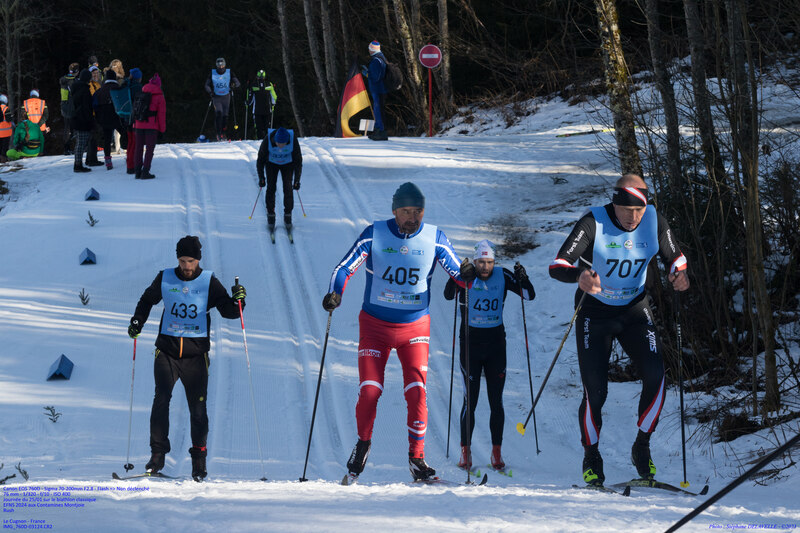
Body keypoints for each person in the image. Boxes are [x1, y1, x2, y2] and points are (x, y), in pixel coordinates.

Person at [324, 182, 477, 482]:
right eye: (406, 211)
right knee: (370, 390)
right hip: (375, 326)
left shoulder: (434, 237)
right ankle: (363, 444)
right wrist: (335, 293)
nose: (412, 217)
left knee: (417, 391)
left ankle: (417, 458)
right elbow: (344, 268)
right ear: (394, 210)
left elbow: (460, 273)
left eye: (418, 211)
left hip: (414, 327)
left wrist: (467, 274)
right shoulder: (375, 234)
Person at [548, 173, 689, 487]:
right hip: (594, 312)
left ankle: (642, 445)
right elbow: (558, 265)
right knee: (595, 391)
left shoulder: (654, 221)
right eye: (626, 210)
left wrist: (678, 273)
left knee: (657, 376)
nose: (633, 217)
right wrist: (579, 276)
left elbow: (676, 257)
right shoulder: (593, 222)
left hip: (634, 310)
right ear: (614, 204)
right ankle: (591, 455)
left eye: (639, 210)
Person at [127, 235, 247, 480]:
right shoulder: (165, 277)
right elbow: (147, 300)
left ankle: (199, 461)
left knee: (198, 409)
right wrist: (137, 321)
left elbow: (229, 311)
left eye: (190, 261)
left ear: (198, 260)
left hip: (196, 356)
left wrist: (239, 301)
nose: (186, 266)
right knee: (161, 400)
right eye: (182, 261)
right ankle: (157, 455)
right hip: (167, 352)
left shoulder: (208, 281)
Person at [443, 240, 535, 472]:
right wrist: (456, 276)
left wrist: (523, 278)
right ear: (475, 261)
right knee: (470, 401)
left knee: (497, 401)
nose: (485, 267)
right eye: (481, 262)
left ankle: (496, 453)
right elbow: (447, 295)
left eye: (490, 262)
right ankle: (465, 452)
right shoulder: (467, 275)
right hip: (470, 345)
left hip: (496, 345)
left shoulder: (502, 275)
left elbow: (529, 295)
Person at [256, 126, 302, 230]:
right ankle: (271, 215)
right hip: (271, 163)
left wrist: (297, 180)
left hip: (288, 163)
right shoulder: (267, 140)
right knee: (271, 187)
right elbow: (260, 160)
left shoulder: (293, 140)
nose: (281, 146)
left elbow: (298, 161)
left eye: (283, 144)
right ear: (275, 140)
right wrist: (261, 177)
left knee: (288, 187)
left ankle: (288, 215)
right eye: (278, 143)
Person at [133, 73, 166, 180]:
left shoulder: (141, 93)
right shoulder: (159, 96)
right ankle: (145, 171)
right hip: (152, 126)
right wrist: (162, 130)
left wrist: (134, 124)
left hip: (138, 124)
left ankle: (137, 171)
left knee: (138, 148)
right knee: (149, 149)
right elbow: (161, 115)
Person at [94, 69, 127, 169]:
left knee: (107, 140)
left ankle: (108, 162)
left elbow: (95, 104)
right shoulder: (118, 88)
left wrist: (98, 117)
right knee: (125, 134)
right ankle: (129, 155)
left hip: (104, 118)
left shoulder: (100, 90)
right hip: (117, 117)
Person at [204, 57, 240, 141]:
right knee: (219, 114)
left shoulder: (229, 72)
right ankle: (218, 133)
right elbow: (206, 85)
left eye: (222, 65)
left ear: (225, 65)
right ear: (216, 65)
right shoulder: (212, 73)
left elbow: (238, 83)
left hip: (226, 97)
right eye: (219, 65)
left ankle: (223, 133)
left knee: (225, 116)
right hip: (217, 97)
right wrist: (210, 92)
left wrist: (233, 86)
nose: (220, 67)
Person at [69, 69, 95, 173]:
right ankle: (78, 165)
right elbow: (86, 108)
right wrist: (90, 121)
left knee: (79, 143)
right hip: (82, 120)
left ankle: (78, 163)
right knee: (81, 143)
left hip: (75, 119)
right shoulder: (84, 90)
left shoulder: (76, 88)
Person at [363, 40, 388, 141]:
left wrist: (367, 74)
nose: (368, 51)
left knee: (378, 110)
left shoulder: (376, 60)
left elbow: (376, 76)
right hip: (380, 89)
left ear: (372, 50)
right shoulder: (380, 58)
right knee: (377, 110)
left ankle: (381, 132)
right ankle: (378, 130)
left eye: (369, 49)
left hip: (378, 89)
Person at [246, 70, 277, 139]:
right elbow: (274, 96)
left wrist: (247, 103)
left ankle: (259, 139)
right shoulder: (269, 84)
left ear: (257, 77)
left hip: (257, 110)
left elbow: (250, 99)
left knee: (258, 127)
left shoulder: (253, 85)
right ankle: (267, 139)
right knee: (267, 126)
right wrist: (273, 103)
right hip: (267, 109)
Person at [124, 68, 143, 174]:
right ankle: (132, 166)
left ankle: (129, 164)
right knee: (135, 143)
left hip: (127, 118)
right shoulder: (138, 88)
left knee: (130, 142)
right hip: (135, 119)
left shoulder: (126, 84)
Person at [85, 66, 103, 167]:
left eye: (97, 73)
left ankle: (90, 158)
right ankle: (92, 159)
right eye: (93, 73)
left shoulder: (97, 84)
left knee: (94, 136)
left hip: (96, 113)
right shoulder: (89, 85)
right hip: (92, 114)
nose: (96, 75)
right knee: (93, 136)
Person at [59, 63, 80, 154]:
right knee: (75, 128)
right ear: (77, 72)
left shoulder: (64, 80)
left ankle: (66, 148)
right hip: (73, 106)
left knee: (67, 128)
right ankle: (75, 147)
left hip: (64, 106)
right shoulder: (74, 81)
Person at [22, 90, 49, 154]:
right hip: (41, 128)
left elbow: (23, 116)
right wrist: (38, 125)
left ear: (30, 95)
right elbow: (46, 115)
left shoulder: (25, 103)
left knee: (31, 146)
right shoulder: (43, 102)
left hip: (29, 128)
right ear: (38, 95)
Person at [0, 94, 13, 163]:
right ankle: (4, 160)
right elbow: (9, 119)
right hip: (6, 133)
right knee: (5, 148)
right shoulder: (6, 109)